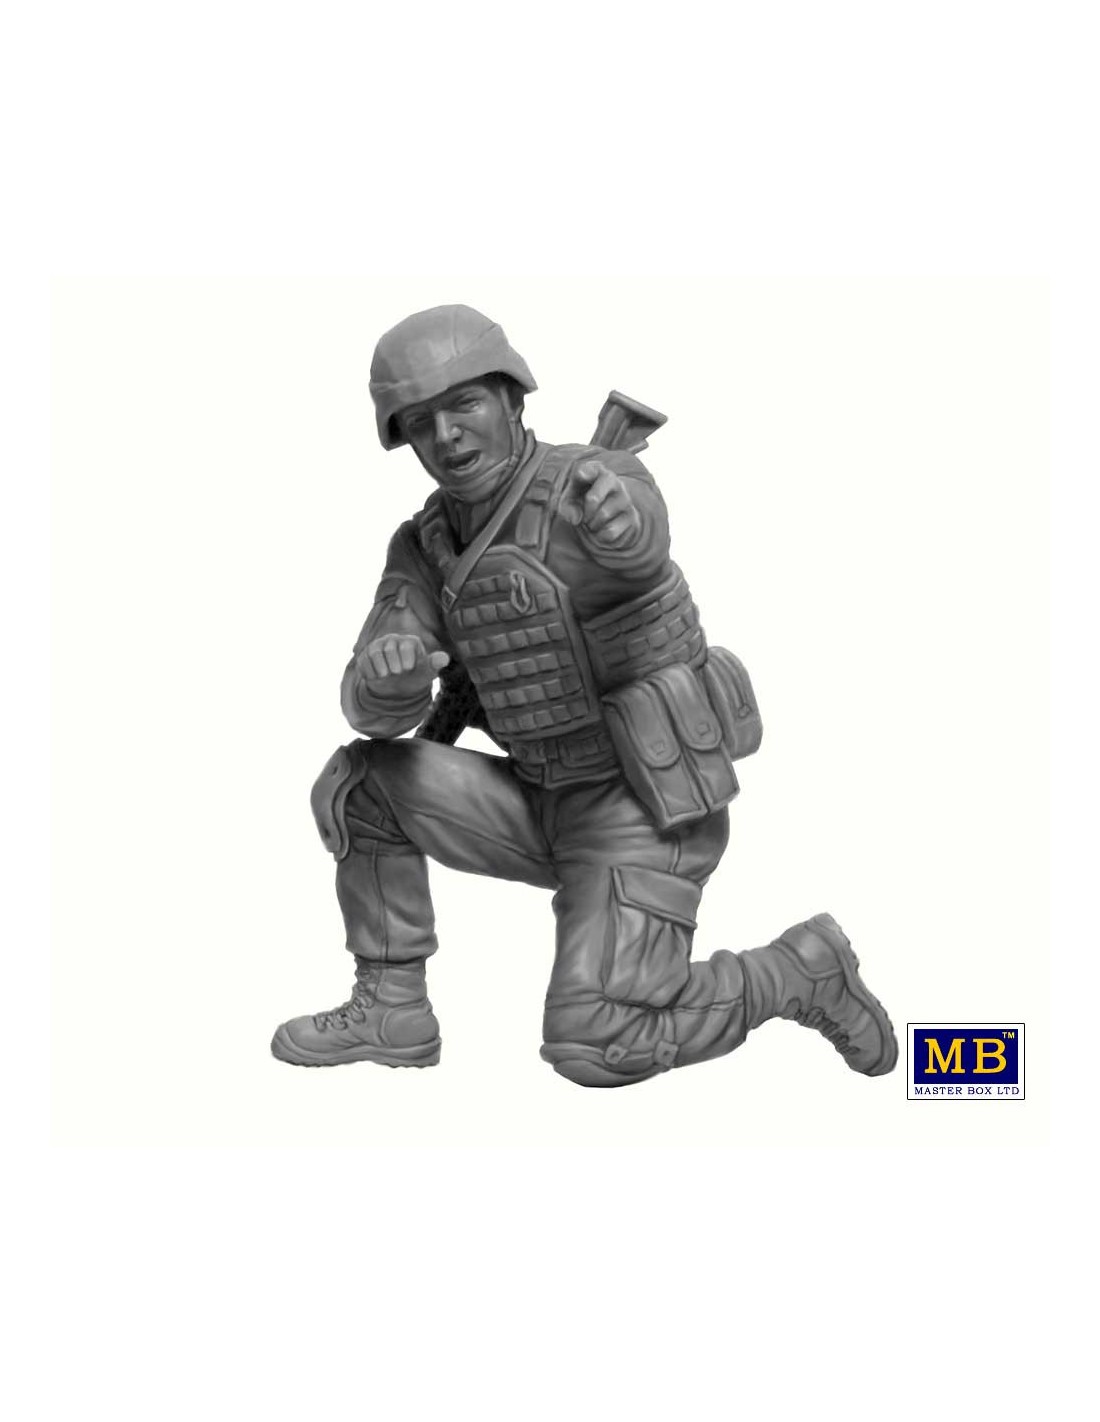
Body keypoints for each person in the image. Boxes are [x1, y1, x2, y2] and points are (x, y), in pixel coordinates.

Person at [270, 304, 897, 1087]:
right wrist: (388, 680)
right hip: (533, 798)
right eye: (422, 422)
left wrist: (618, 527)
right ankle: (392, 1007)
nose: (448, 437)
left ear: (511, 398)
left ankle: (799, 973)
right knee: (361, 781)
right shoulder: (425, 547)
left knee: (599, 1044)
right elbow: (369, 699)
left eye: (465, 405)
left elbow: (640, 539)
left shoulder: (591, 484)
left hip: (639, 806)